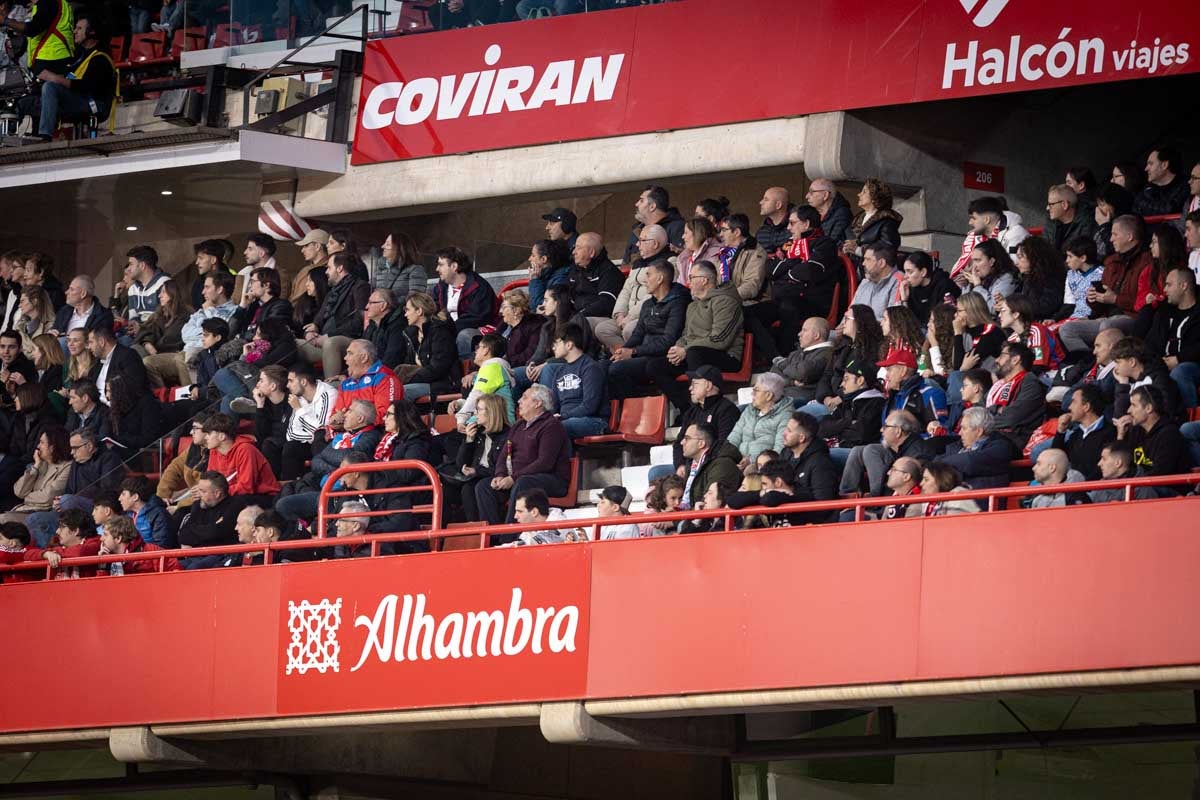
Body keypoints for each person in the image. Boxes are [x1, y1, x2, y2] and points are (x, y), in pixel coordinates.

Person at [472, 384, 570, 530]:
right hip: (519, 479)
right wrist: (500, 475)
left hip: (551, 479)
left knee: (523, 483)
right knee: (484, 486)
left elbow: (545, 463)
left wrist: (513, 478)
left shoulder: (551, 426)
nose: (519, 401)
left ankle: (510, 535)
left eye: (524, 398)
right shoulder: (518, 425)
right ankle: (491, 536)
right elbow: (503, 455)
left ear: (538, 403)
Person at [650, 261, 744, 412]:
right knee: (655, 366)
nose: (688, 282)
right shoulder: (692, 306)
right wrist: (678, 347)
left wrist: (686, 350)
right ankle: (687, 410)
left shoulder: (726, 301)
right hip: (694, 353)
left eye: (692, 277)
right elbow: (686, 335)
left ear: (704, 280)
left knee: (694, 354)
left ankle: (699, 407)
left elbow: (720, 339)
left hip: (726, 356)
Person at [1058, 215, 1153, 354]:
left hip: (1132, 318)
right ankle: (1088, 364)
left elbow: (1145, 302)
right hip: (1105, 317)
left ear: (1130, 236)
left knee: (1108, 325)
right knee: (1067, 329)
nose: (1110, 239)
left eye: (1114, 234)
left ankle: (1109, 367)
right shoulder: (1111, 261)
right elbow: (1101, 302)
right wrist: (1093, 298)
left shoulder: (1147, 262)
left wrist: (1115, 299)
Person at [23, 428, 124, 547]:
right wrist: (58, 502)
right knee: (35, 518)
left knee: (67, 500)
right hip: (72, 508)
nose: (72, 452)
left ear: (89, 446)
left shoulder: (109, 458)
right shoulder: (76, 462)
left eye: (75, 448)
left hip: (98, 508)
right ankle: (49, 555)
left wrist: (71, 498)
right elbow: (69, 490)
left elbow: (108, 492)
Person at [23, 14, 116, 141]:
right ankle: (9, 139)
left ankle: (45, 136)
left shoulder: (100, 59)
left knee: (50, 87)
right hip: (77, 100)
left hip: (94, 104)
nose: (74, 31)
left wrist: (54, 78)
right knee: (26, 100)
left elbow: (85, 87)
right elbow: (68, 77)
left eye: (79, 28)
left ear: (92, 32)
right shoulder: (79, 56)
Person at [607, 260, 690, 398]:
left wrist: (633, 352)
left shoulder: (678, 303)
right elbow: (637, 334)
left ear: (660, 279)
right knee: (603, 367)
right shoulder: (647, 304)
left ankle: (638, 403)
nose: (645, 280)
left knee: (616, 369)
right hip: (643, 353)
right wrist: (623, 351)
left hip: (660, 357)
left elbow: (668, 340)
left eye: (648, 275)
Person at [147, 270, 238, 388]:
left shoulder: (233, 311)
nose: (202, 291)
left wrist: (209, 312)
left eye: (207, 287)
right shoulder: (202, 310)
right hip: (185, 350)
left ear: (220, 290)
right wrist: (203, 330)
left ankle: (193, 398)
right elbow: (185, 334)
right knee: (149, 362)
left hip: (204, 352)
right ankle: (162, 400)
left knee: (184, 358)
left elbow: (216, 333)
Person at [771, 205, 841, 349]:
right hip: (784, 297)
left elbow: (809, 271)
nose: (788, 228)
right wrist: (794, 262)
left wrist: (787, 270)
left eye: (793, 223)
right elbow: (771, 271)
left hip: (813, 303)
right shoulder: (789, 243)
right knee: (752, 314)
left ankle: (787, 356)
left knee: (788, 308)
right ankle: (774, 358)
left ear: (806, 224)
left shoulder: (825, 243)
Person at [592, 224, 668, 351]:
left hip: (647, 316)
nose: (637, 245)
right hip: (626, 316)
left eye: (642, 241)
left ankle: (633, 356)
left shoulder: (668, 262)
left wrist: (630, 317)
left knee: (629, 330)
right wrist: (619, 314)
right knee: (603, 329)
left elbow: (654, 295)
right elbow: (625, 291)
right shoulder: (637, 263)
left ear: (655, 244)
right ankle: (622, 356)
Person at [299, 252, 371, 378]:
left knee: (331, 343)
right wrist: (312, 331)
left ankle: (330, 388)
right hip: (323, 340)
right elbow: (318, 320)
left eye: (329, 267)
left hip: (348, 339)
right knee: (294, 344)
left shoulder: (360, 287)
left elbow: (359, 320)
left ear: (340, 268)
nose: (326, 272)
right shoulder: (332, 292)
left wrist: (328, 336)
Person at [839, 410, 933, 498]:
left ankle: (875, 499)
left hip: (896, 499)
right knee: (858, 450)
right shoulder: (897, 447)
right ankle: (846, 495)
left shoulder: (917, 454)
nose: (881, 430)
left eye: (886, 426)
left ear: (898, 431)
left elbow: (908, 486)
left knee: (870, 450)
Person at [1144, 267, 1200, 408]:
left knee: (1180, 372)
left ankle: (1190, 418)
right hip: (1163, 363)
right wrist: (1149, 308)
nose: (1165, 290)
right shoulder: (1164, 312)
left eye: (1169, 285)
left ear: (1183, 286)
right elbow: (1151, 343)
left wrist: (1179, 359)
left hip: (1192, 363)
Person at [817, 358, 887, 470]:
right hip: (841, 446)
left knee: (819, 457)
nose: (841, 384)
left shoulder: (876, 403)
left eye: (846, 379)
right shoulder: (848, 400)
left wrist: (838, 429)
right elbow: (822, 427)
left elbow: (860, 436)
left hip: (859, 453)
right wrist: (848, 423)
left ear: (860, 381)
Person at [430, 246, 496, 360]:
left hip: (478, 330)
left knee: (464, 336)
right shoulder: (441, 286)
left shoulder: (479, 287)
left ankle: (462, 373)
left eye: (441, 265)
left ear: (454, 266)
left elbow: (477, 318)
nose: (437, 269)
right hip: (446, 327)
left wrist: (446, 327)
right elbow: (432, 306)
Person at [542, 324, 607, 439]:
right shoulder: (559, 371)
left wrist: (562, 416)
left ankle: (565, 458)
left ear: (569, 344)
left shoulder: (590, 367)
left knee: (558, 428)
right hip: (566, 420)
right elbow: (554, 404)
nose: (553, 348)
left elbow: (589, 406)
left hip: (593, 420)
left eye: (556, 343)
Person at [454, 394, 511, 524]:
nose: (475, 413)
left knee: (477, 486)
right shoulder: (478, 433)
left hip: (497, 481)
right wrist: (469, 440)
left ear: (491, 412)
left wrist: (476, 471)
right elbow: (460, 464)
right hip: (476, 478)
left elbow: (502, 470)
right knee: (455, 489)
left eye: (479, 409)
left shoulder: (507, 436)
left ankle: (489, 534)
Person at [395, 291, 460, 403]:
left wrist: (409, 379)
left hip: (442, 383)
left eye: (407, 310)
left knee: (401, 392)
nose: (405, 314)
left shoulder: (440, 332)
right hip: (422, 382)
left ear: (419, 311)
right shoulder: (411, 335)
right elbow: (409, 364)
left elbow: (438, 368)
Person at [1116, 385, 1191, 478]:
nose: (1128, 410)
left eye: (1133, 405)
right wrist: (1120, 435)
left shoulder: (1169, 434)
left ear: (1148, 408)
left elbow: (1160, 474)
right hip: (1140, 486)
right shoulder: (1135, 431)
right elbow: (1120, 465)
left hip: (1166, 488)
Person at [949, 196, 1030, 281]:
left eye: (974, 218)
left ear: (987, 220)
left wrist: (979, 279)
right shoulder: (977, 237)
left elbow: (1015, 273)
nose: (970, 222)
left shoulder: (1015, 235)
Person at [0, 426, 70, 523]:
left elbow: (48, 497)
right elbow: (19, 491)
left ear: (52, 447)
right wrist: (35, 467)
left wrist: (26, 496)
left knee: (2, 519)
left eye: (42, 442)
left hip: (42, 514)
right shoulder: (41, 464)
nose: (38, 446)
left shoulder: (67, 467)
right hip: (25, 510)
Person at [201, 413, 280, 498]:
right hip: (231, 494)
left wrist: (215, 493)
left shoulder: (245, 449)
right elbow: (210, 480)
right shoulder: (214, 451)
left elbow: (246, 487)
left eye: (208, 434)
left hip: (263, 495)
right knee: (199, 505)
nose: (205, 438)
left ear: (222, 436)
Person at [934, 406, 1014, 490]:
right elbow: (935, 462)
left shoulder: (1000, 447)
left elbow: (969, 461)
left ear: (979, 431)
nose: (960, 433)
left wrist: (942, 465)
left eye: (964, 428)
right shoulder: (956, 446)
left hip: (973, 498)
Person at [175, 472, 243, 569]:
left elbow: (217, 532)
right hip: (197, 555)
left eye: (203, 491)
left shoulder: (234, 506)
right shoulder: (198, 505)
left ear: (217, 493)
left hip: (221, 555)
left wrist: (195, 529)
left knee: (192, 569)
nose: (199, 495)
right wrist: (210, 528)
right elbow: (183, 536)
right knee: (174, 567)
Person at [1050, 383, 1117, 480]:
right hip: (1074, 490)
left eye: (1074, 402)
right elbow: (1055, 459)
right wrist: (1061, 432)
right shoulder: (1076, 435)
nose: (1069, 407)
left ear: (1086, 407)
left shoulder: (1110, 433)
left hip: (1097, 490)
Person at [282, 362, 338, 474]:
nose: (287, 385)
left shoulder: (328, 394)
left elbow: (323, 431)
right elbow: (291, 434)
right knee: (289, 446)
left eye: (291, 381)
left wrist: (299, 410)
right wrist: (311, 434)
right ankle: (289, 486)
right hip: (310, 442)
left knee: (318, 440)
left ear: (303, 382)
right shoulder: (299, 398)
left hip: (327, 444)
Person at [726, 373, 792, 467]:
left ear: (768, 395)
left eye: (756, 390)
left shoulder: (785, 415)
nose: (752, 393)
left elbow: (779, 450)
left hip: (761, 466)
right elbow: (734, 436)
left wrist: (752, 461)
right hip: (738, 459)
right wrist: (728, 456)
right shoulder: (750, 410)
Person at [454, 333, 514, 429]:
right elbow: (481, 400)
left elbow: (477, 395)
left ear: (486, 350)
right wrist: (460, 404)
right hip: (490, 424)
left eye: (478, 347)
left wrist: (461, 417)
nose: (476, 351)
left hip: (497, 427)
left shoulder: (492, 367)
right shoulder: (494, 368)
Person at [770, 317, 835, 404]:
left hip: (799, 402)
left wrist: (783, 364)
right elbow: (773, 375)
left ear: (816, 335)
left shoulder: (827, 354)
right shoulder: (796, 353)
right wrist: (792, 382)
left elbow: (803, 372)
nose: (799, 334)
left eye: (804, 330)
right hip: (779, 398)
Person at [244, 365, 291, 478]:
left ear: (273, 386)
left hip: (288, 444)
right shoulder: (264, 404)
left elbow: (287, 432)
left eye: (261, 380)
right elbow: (259, 435)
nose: (257, 385)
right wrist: (259, 405)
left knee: (268, 444)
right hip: (270, 445)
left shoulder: (291, 401)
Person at [97, 515, 181, 576]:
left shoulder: (152, 552)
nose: (101, 539)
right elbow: (102, 590)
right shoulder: (105, 558)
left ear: (118, 538)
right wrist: (102, 567)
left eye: (105, 535)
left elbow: (175, 572)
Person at [569, 232, 624, 322]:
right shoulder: (576, 270)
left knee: (577, 323)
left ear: (592, 252)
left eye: (578, 248)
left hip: (597, 318)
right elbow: (568, 297)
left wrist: (580, 314)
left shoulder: (609, 271)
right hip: (577, 315)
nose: (574, 252)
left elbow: (606, 303)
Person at [623, 184, 685, 263]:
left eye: (641, 200)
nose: (636, 204)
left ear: (652, 207)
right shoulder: (636, 232)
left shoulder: (677, 228)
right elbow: (625, 265)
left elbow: (681, 261)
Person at [34, 507, 102, 579]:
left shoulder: (97, 541)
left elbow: (79, 552)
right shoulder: (56, 542)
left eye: (62, 527)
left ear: (76, 531)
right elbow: (27, 554)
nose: (57, 531)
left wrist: (54, 552)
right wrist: (45, 554)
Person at [87, 325, 148, 404]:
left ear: (102, 342)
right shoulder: (98, 362)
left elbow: (134, 389)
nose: (88, 347)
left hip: (118, 410)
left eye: (91, 342)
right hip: (98, 411)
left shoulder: (128, 356)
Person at [103, 373, 162, 455]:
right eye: (106, 391)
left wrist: (118, 440)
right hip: (122, 450)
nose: (107, 396)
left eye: (109, 391)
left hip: (142, 454)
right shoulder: (115, 409)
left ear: (120, 392)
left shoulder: (147, 404)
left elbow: (148, 439)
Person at [844, 178, 903, 260]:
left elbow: (888, 247)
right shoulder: (857, 219)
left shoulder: (887, 221)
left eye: (864, 192)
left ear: (874, 198)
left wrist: (859, 250)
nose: (859, 194)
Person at [1013, 236, 1068, 321]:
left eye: (1020, 257)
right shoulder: (1027, 277)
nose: (1016, 263)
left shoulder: (1052, 278)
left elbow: (1047, 306)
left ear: (1034, 257)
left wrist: (1017, 306)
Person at [898, 251, 959, 326]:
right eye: (905, 272)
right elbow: (905, 323)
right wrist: (904, 300)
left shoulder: (944, 286)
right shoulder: (911, 288)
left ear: (923, 272)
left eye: (910, 272)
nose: (905, 276)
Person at [133, 279, 188, 361]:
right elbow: (146, 331)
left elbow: (170, 339)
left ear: (173, 293)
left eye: (163, 292)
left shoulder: (184, 315)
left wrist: (154, 348)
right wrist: (147, 343)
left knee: (144, 359)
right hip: (154, 350)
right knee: (134, 349)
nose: (159, 296)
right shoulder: (159, 314)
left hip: (171, 354)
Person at [1054, 237, 1105, 324]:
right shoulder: (1071, 275)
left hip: (1093, 320)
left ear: (1083, 258)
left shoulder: (1102, 274)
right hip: (1073, 319)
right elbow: (1069, 304)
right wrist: (1054, 319)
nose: (1067, 261)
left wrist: (1089, 318)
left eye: (1070, 256)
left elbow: (1103, 307)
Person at [1088, 443, 1158, 504]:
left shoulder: (1143, 491)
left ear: (1118, 463)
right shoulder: (1100, 486)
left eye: (1104, 459)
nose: (1099, 463)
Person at [961, 239, 1018, 314]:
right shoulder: (979, 277)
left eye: (978, 260)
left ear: (991, 262)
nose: (974, 266)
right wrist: (966, 285)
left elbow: (992, 309)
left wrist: (978, 286)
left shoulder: (1006, 279)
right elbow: (963, 307)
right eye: (973, 261)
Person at [118, 475, 175, 549]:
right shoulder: (126, 516)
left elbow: (161, 546)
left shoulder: (159, 515)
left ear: (135, 497)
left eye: (123, 494)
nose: (119, 498)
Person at [50, 274, 114, 339]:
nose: (66, 292)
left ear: (83, 294)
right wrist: (51, 334)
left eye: (71, 289)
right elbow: (55, 331)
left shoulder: (103, 316)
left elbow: (97, 343)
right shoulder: (64, 311)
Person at [506, 488, 575, 547]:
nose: (515, 516)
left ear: (534, 512)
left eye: (520, 511)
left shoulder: (560, 526)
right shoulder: (529, 530)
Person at [1135, 146, 1190, 218]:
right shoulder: (1148, 187)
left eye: (1150, 164)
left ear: (1164, 165)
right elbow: (1135, 210)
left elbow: (1170, 210)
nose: (1146, 169)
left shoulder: (1187, 185)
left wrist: (1144, 205)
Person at [1042, 184, 1097, 255]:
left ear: (1064, 205)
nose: (1047, 208)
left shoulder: (1086, 223)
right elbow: (1043, 248)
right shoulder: (1051, 221)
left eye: (1051, 204)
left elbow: (1080, 255)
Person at [1023, 448, 1087, 509]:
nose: (1033, 468)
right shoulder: (1033, 494)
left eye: (1039, 464)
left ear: (1052, 468)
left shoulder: (1076, 498)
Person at [358, 288, 405, 369]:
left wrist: (366, 374)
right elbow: (359, 353)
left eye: (371, 303)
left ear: (383, 306)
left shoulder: (398, 326)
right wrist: (346, 374)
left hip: (383, 375)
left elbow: (391, 361)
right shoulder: (372, 325)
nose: (366, 306)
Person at [907, 463, 980, 516]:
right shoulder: (927, 503)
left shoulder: (958, 498)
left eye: (926, 479)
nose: (921, 484)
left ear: (940, 480)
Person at [852, 245, 902, 321]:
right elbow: (850, 312)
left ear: (881, 263)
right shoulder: (865, 282)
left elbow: (893, 323)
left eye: (867, 259)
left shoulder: (898, 281)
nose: (863, 263)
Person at [497, 290, 542, 369]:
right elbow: (491, 342)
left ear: (516, 310)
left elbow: (529, 354)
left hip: (518, 368)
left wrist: (506, 363)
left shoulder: (534, 326)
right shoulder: (504, 324)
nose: (500, 311)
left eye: (504, 307)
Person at [375, 231, 428, 298]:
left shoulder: (415, 270)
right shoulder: (380, 269)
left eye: (388, 244)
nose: (382, 246)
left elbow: (415, 299)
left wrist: (392, 304)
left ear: (398, 248)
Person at [526, 238, 571, 313]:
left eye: (533, 255)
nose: (529, 259)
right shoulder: (545, 275)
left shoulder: (561, 278)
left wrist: (535, 280)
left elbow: (540, 306)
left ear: (543, 259)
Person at [676, 217, 723, 289]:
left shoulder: (715, 255)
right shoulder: (685, 257)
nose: (683, 237)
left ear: (697, 234)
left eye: (686, 233)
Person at [804, 179, 852, 245]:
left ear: (825, 195)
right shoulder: (812, 213)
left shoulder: (842, 214)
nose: (807, 196)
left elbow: (831, 243)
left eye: (812, 192)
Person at [291, 228, 330, 304]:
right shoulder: (305, 269)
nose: (302, 250)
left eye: (306, 245)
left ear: (317, 246)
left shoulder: (329, 269)